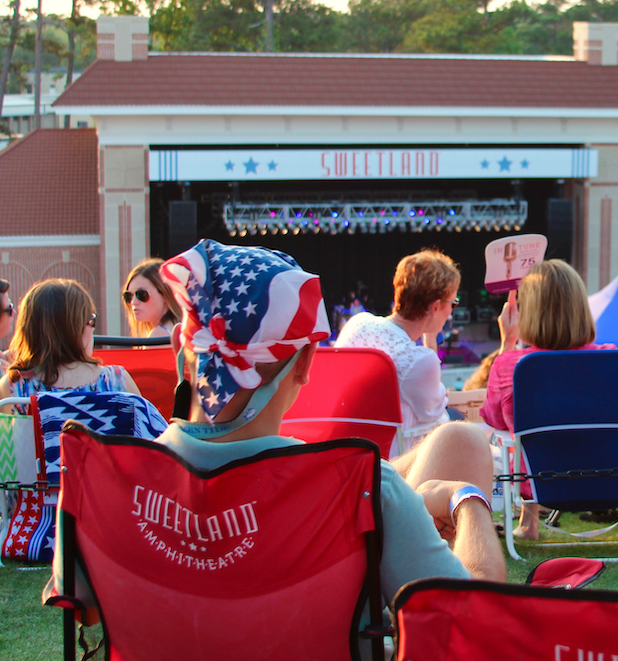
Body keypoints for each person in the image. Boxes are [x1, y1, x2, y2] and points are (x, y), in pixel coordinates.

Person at [45, 240, 503, 641]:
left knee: (451, 442)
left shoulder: (96, 479)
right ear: (305, 364)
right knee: (454, 451)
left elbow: (81, 608)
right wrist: (467, 500)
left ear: (177, 350)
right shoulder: (364, 490)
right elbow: (474, 626)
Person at [481, 259, 616, 538]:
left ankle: (527, 523)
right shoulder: (612, 358)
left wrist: (507, 344)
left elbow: (493, 419)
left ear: (528, 312)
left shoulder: (511, 365)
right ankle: (527, 524)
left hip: (539, 483)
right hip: (613, 479)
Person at [0, 279, 141, 451]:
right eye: (92, 320)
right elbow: (152, 441)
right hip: (108, 477)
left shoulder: (15, 387)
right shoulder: (117, 381)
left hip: (39, 478)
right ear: (78, 328)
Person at [335, 249, 459, 455]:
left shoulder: (357, 323)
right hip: (393, 465)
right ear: (436, 307)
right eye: (452, 304)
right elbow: (438, 416)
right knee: (457, 421)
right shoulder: (418, 360)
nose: (452, 311)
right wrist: (431, 341)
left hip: (347, 453)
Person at [123, 258, 181, 338]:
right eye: (129, 296)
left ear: (164, 295)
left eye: (142, 294)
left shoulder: (159, 334)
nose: (133, 302)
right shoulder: (178, 328)